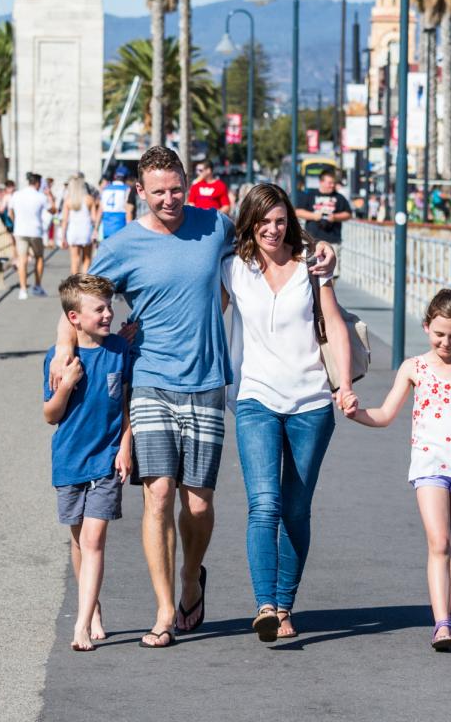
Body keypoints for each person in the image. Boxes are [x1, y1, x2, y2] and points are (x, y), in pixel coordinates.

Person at [49, 146, 338, 648]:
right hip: (150, 378)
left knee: (198, 505)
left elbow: (269, 232)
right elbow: (79, 296)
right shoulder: (122, 245)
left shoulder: (213, 226)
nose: (169, 199)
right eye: (158, 191)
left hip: (206, 381)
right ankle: (164, 609)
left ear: (187, 183)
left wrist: (320, 247)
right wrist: (61, 348)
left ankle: (190, 577)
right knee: (158, 492)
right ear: (140, 191)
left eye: (176, 189)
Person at [222, 183, 357, 642]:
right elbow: (203, 312)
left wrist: (344, 385)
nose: (272, 229)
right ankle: (264, 605)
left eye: (280, 221)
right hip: (255, 398)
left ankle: (284, 605)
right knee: (265, 504)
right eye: (264, 221)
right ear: (249, 223)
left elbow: (333, 323)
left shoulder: (311, 266)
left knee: (296, 509)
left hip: (311, 402)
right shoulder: (233, 269)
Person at [352, 288, 451, 651]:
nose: (446, 342)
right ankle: (441, 624)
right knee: (440, 542)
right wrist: (355, 413)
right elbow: (386, 414)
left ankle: (448, 614)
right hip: (429, 465)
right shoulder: (414, 367)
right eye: (439, 334)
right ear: (426, 326)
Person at [43, 274, 132, 652]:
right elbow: (50, 415)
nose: (108, 314)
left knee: (94, 539)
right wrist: (66, 384)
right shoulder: (60, 358)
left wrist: (125, 446)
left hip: (106, 458)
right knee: (79, 541)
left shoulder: (120, 350)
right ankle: (91, 608)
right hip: (69, 460)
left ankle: (80, 625)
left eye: (109, 306)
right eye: (99, 309)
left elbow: (126, 404)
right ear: (74, 318)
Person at [295, 167, 352, 275]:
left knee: (332, 274)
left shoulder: (339, 197)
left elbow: (348, 214)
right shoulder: (310, 195)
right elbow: (297, 211)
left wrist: (335, 217)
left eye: (333, 183)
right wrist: (313, 216)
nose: (332, 185)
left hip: (332, 241)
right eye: (330, 183)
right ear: (321, 182)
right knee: (311, 271)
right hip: (312, 241)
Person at [10, 172, 48, 300]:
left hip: (20, 230)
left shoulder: (17, 194)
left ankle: (23, 289)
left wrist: (16, 223)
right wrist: (49, 195)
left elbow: (10, 212)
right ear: (37, 183)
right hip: (36, 231)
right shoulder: (41, 196)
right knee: (39, 257)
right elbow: (52, 210)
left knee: (22, 259)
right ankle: (37, 285)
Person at [61, 174, 98, 275]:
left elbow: (65, 220)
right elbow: (94, 219)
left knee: (74, 260)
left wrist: (63, 237)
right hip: (86, 230)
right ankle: (83, 282)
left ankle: (75, 282)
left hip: (73, 231)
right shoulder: (89, 199)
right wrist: (95, 231)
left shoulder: (68, 200)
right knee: (86, 259)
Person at [99, 165, 132, 239]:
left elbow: (100, 210)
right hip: (121, 227)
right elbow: (128, 211)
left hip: (106, 228)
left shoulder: (105, 189)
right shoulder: (127, 189)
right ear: (126, 178)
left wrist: (96, 229)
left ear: (115, 176)